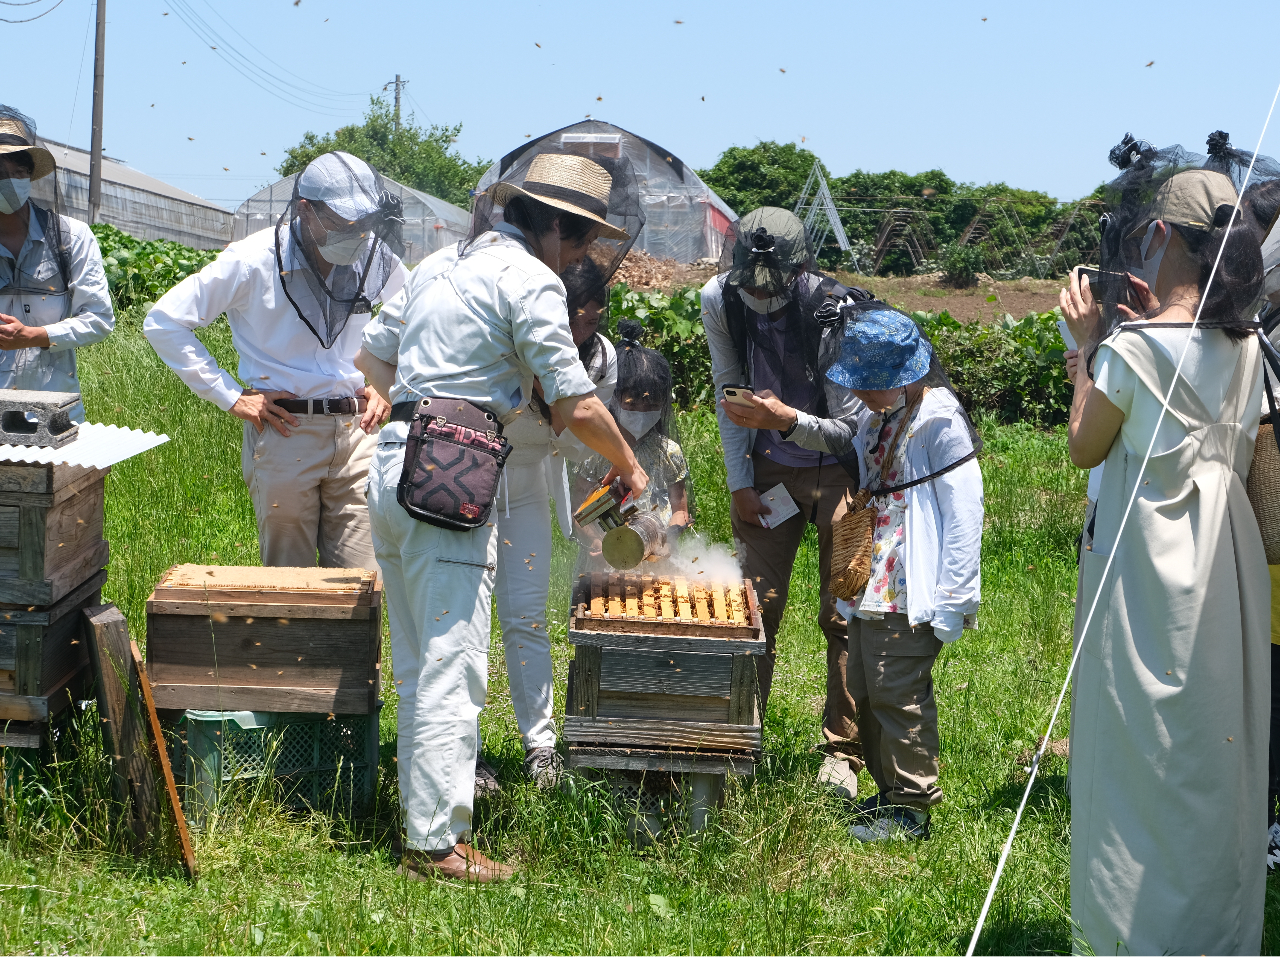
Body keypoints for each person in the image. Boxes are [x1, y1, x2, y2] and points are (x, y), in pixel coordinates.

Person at [355, 150, 646, 883]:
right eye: (579, 241)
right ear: (552, 225)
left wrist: (459, 398)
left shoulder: (433, 268)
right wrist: (631, 465)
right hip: (449, 476)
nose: (580, 257)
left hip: (394, 465)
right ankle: (436, 847)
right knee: (453, 663)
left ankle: (421, 821)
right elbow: (577, 402)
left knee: (422, 664)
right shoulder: (528, 278)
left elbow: (371, 359)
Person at [1061, 134, 1272, 954]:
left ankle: (1134, 935)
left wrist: (1086, 346)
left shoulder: (1132, 349)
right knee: (1215, 755)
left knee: (1139, 750)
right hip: (1230, 561)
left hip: (1148, 567)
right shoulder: (1248, 344)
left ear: (1164, 239)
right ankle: (1213, 933)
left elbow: (1086, 444)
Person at [723, 304, 982, 841]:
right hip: (873, 574)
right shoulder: (878, 414)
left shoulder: (940, 420)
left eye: (870, 384)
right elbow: (839, 436)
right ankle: (888, 796)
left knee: (897, 690)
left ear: (905, 376)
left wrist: (958, 593)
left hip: (914, 580)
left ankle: (912, 809)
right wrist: (786, 420)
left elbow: (964, 508)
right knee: (865, 684)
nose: (860, 395)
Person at [145, 152, 406, 569]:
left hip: (358, 431)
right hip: (286, 430)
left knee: (364, 584)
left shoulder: (377, 260)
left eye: (363, 223)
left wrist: (387, 384)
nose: (356, 234)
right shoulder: (252, 259)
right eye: (342, 223)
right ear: (306, 210)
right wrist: (230, 395)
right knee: (290, 584)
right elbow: (164, 322)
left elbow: (413, 323)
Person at [703, 206, 870, 797]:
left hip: (842, 474)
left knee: (843, 614)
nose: (760, 297)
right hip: (768, 471)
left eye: (772, 288)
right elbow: (729, 392)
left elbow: (852, 429)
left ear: (800, 270)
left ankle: (843, 752)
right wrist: (739, 481)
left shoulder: (832, 311)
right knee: (752, 608)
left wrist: (786, 419)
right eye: (750, 285)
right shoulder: (718, 301)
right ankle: (737, 737)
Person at [484, 256, 619, 794]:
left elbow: (576, 436)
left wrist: (560, 405)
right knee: (466, 622)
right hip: (475, 475)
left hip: (532, 483)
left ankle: (540, 746)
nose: (581, 332)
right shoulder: (503, 337)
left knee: (528, 617)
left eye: (590, 320)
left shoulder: (602, 358)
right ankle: (465, 752)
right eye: (571, 322)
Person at [0, 105, 113, 421]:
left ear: (29, 175)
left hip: (55, 417)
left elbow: (99, 319)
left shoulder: (70, 236)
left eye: (17, 171)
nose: (9, 181)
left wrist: (34, 336)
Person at [572, 317, 692, 567]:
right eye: (632, 403)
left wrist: (667, 540)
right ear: (615, 399)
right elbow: (577, 511)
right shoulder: (596, 449)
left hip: (657, 561)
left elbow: (680, 510)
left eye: (651, 403)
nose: (642, 410)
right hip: (606, 559)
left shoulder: (669, 451)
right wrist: (597, 542)